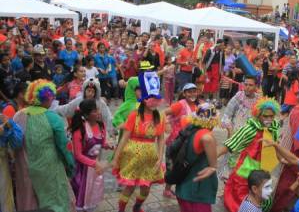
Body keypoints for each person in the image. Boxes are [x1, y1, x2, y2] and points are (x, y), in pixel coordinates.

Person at [13, 79, 75, 212]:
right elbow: (65, 146)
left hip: (25, 169)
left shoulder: (18, 116)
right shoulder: (53, 118)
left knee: (30, 201)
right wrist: (70, 165)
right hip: (49, 168)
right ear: (48, 98)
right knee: (54, 202)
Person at [112, 71, 165, 212]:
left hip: (149, 158)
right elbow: (124, 138)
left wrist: (160, 158)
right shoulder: (134, 115)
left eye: (156, 99)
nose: (154, 102)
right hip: (132, 157)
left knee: (146, 189)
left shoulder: (159, 116)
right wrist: (116, 158)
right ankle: (121, 210)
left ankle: (137, 207)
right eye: (151, 98)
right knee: (129, 187)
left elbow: (161, 138)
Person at [223, 98, 280, 212]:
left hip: (263, 166)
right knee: (241, 190)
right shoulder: (250, 128)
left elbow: (275, 145)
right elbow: (232, 143)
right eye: (265, 116)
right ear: (258, 115)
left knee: (262, 191)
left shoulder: (274, 128)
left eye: (271, 116)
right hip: (247, 166)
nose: (269, 119)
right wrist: (212, 159)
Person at [271, 85, 299, 212]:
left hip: (296, 154)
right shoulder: (298, 113)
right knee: (286, 188)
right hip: (292, 155)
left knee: (293, 186)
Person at [175, 103, 219, 212]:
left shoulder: (190, 129)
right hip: (196, 193)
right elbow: (207, 139)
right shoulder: (204, 134)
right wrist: (213, 166)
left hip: (183, 188)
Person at [70, 99, 110, 212]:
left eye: (97, 109)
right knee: (81, 198)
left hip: (95, 169)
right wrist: (94, 163)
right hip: (82, 170)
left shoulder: (101, 125)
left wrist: (108, 145)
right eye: (94, 111)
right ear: (86, 115)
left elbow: (101, 143)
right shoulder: (80, 130)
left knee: (93, 196)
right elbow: (78, 155)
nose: (98, 112)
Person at [0, 111, 23, 212]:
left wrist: (9, 126)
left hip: (2, 165)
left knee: (4, 196)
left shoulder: (3, 119)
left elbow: (17, 143)